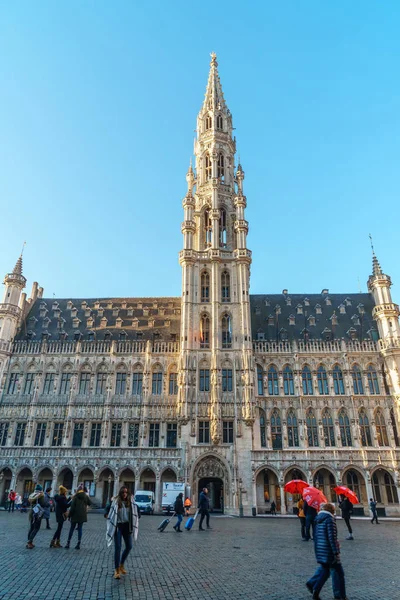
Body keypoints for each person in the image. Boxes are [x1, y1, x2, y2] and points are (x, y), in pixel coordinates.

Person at [306, 503, 347, 600]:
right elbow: (331, 537)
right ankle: (339, 595)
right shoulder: (329, 520)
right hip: (329, 551)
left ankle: (313, 586)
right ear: (332, 511)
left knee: (325, 571)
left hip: (321, 550)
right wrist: (336, 552)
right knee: (338, 572)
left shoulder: (317, 519)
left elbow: (315, 536)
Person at [105, 486, 140, 579]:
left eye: (126, 492)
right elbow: (108, 508)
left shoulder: (131, 503)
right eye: (123, 492)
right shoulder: (116, 502)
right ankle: (116, 570)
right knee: (118, 547)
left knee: (129, 546)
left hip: (127, 526)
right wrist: (106, 513)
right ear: (120, 493)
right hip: (118, 526)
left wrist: (137, 515)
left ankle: (121, 564)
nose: (125, 494)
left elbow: (137, 511)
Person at [65, 484, 92, 549]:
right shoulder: (85, 496)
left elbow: (72, 507)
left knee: (72, 529)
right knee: (80, 529)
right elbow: (90, 503)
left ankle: (68, 543)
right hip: (82, 515)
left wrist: (69, 516)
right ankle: (78, 544)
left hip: (75, 515)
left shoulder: (76, 496)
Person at [26, 484, 46, 549]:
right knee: (36, 528)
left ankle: (29, 542)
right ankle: (29, 542)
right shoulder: (40, 496)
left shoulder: (32, 495)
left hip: (32, 512)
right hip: (37, 514)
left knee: (31, 527)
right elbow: (43, 504)